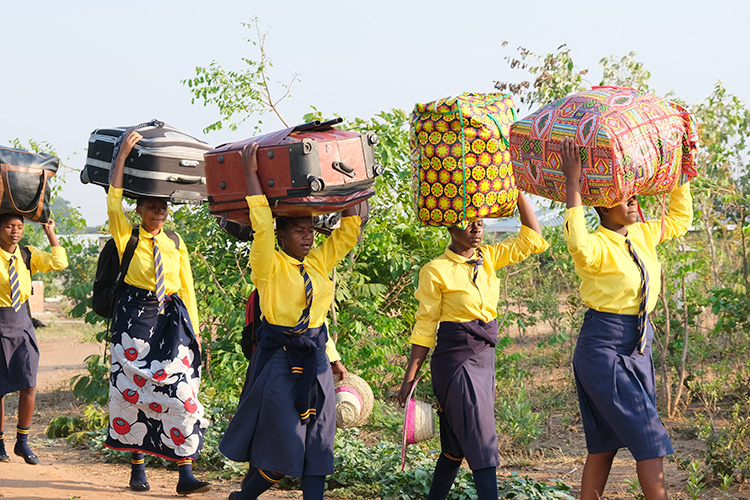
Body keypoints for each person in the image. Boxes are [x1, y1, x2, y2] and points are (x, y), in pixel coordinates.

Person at [219, 143, 362, 500]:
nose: (308, 235)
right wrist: (251, 172)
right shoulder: (268, 266)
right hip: (281, 360)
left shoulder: (319, 262)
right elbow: (262, 223)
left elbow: (348, 231)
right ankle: (243, 497)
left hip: (315, 359)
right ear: (282, 235)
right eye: (299, 230)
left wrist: (350, 178)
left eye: (311, 229)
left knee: (318, 444)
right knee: (284, 443)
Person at [560, 137, 693, 500]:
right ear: (603, 208)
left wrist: (677, 165)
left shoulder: (643, 235)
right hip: (603, 349)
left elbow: (681, 218)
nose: (634, 201)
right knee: (650, 439)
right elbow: (576, 241)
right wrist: (573, 183)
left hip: (638, 347)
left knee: (604, 446)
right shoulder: (595, 246)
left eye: (634, 195)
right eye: (625, 197)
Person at [398, 192, 548, 500]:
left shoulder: (489, 259)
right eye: (469, 223)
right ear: (450, 228)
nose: (477, 229)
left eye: (479, 223)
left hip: (484, 359)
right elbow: (425, 326)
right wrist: (410, 376)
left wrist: (518, 193)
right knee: (482, 443)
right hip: (456, 364)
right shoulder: (436, 270)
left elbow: (533, 238)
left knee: (454, 450)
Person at [105, 131, 210, 495]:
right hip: (133, 322)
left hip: (172, 322)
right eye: (152, 207)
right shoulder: (126, 235)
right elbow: (113, 199)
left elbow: (187, 289)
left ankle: (185, 473)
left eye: (163, 207)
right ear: (140, 209)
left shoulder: (176, 242)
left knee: (182, 392)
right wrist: (123, 156)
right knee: (130, 393)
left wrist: (195, 332)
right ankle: (138, 468)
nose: (159, 213)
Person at [0, 215, 67, 465]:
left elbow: (59, 262)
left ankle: (22, 441)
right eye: (9, 226)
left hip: (22, 323)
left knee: (29, 383)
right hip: (0, 322)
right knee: (0, 389)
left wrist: (50, 232)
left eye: (19, 227)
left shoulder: (27, 254)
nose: (15, 231)